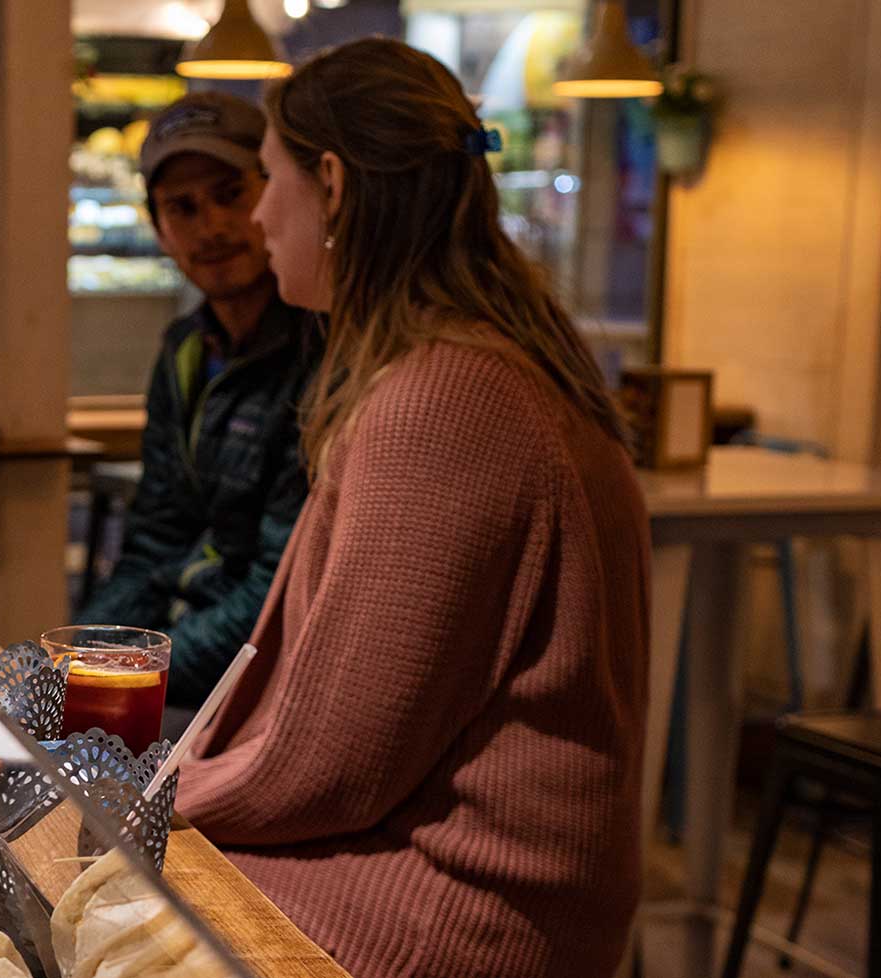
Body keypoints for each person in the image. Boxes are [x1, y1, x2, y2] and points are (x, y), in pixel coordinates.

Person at [176, 39, 649, 978]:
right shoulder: (466, 362)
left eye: (270, 180)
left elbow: (334, 767)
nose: (261, 215)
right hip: (430, 867)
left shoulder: (442, 402)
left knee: (68, 891)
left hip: (455, 908)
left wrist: (137, 790)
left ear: (336, 187)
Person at [75, 93, 319, 710]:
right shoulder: (184, 350)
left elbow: (280, 591)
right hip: (191, 664)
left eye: (229, 193)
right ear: (159, 229)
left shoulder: (323, 352)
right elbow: (154, 543)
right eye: (182, 207)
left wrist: (124, 677)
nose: (210, 227)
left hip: (270, 686)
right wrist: (79, 658)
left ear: (273, 195)